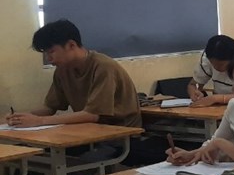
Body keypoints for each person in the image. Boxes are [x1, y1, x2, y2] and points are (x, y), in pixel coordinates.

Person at [10, 19, 141, 129]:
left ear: (71, 45)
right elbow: (50, 108)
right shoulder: (62, 70)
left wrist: (40, 121)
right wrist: (19, 118)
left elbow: (92, 115)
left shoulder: (103, 67)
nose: (48, 59)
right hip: (89, 133)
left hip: (120, 136)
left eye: (51, 52)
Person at [188, 34, 234, 106]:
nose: (216, 68)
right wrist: (195, 93)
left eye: (221, 65)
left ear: (233, 59)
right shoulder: (206, 60)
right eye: (212, 64)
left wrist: (217, 98)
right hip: (217, 107)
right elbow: (192, 84)